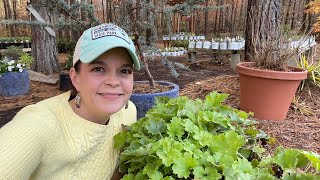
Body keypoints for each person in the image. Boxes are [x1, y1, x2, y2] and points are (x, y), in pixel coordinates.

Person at [0, 23, 140, 179]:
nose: (113, 82)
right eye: (98, 69)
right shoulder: (38, 125)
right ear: (75, 78)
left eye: (124, 71)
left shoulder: (128, 112)